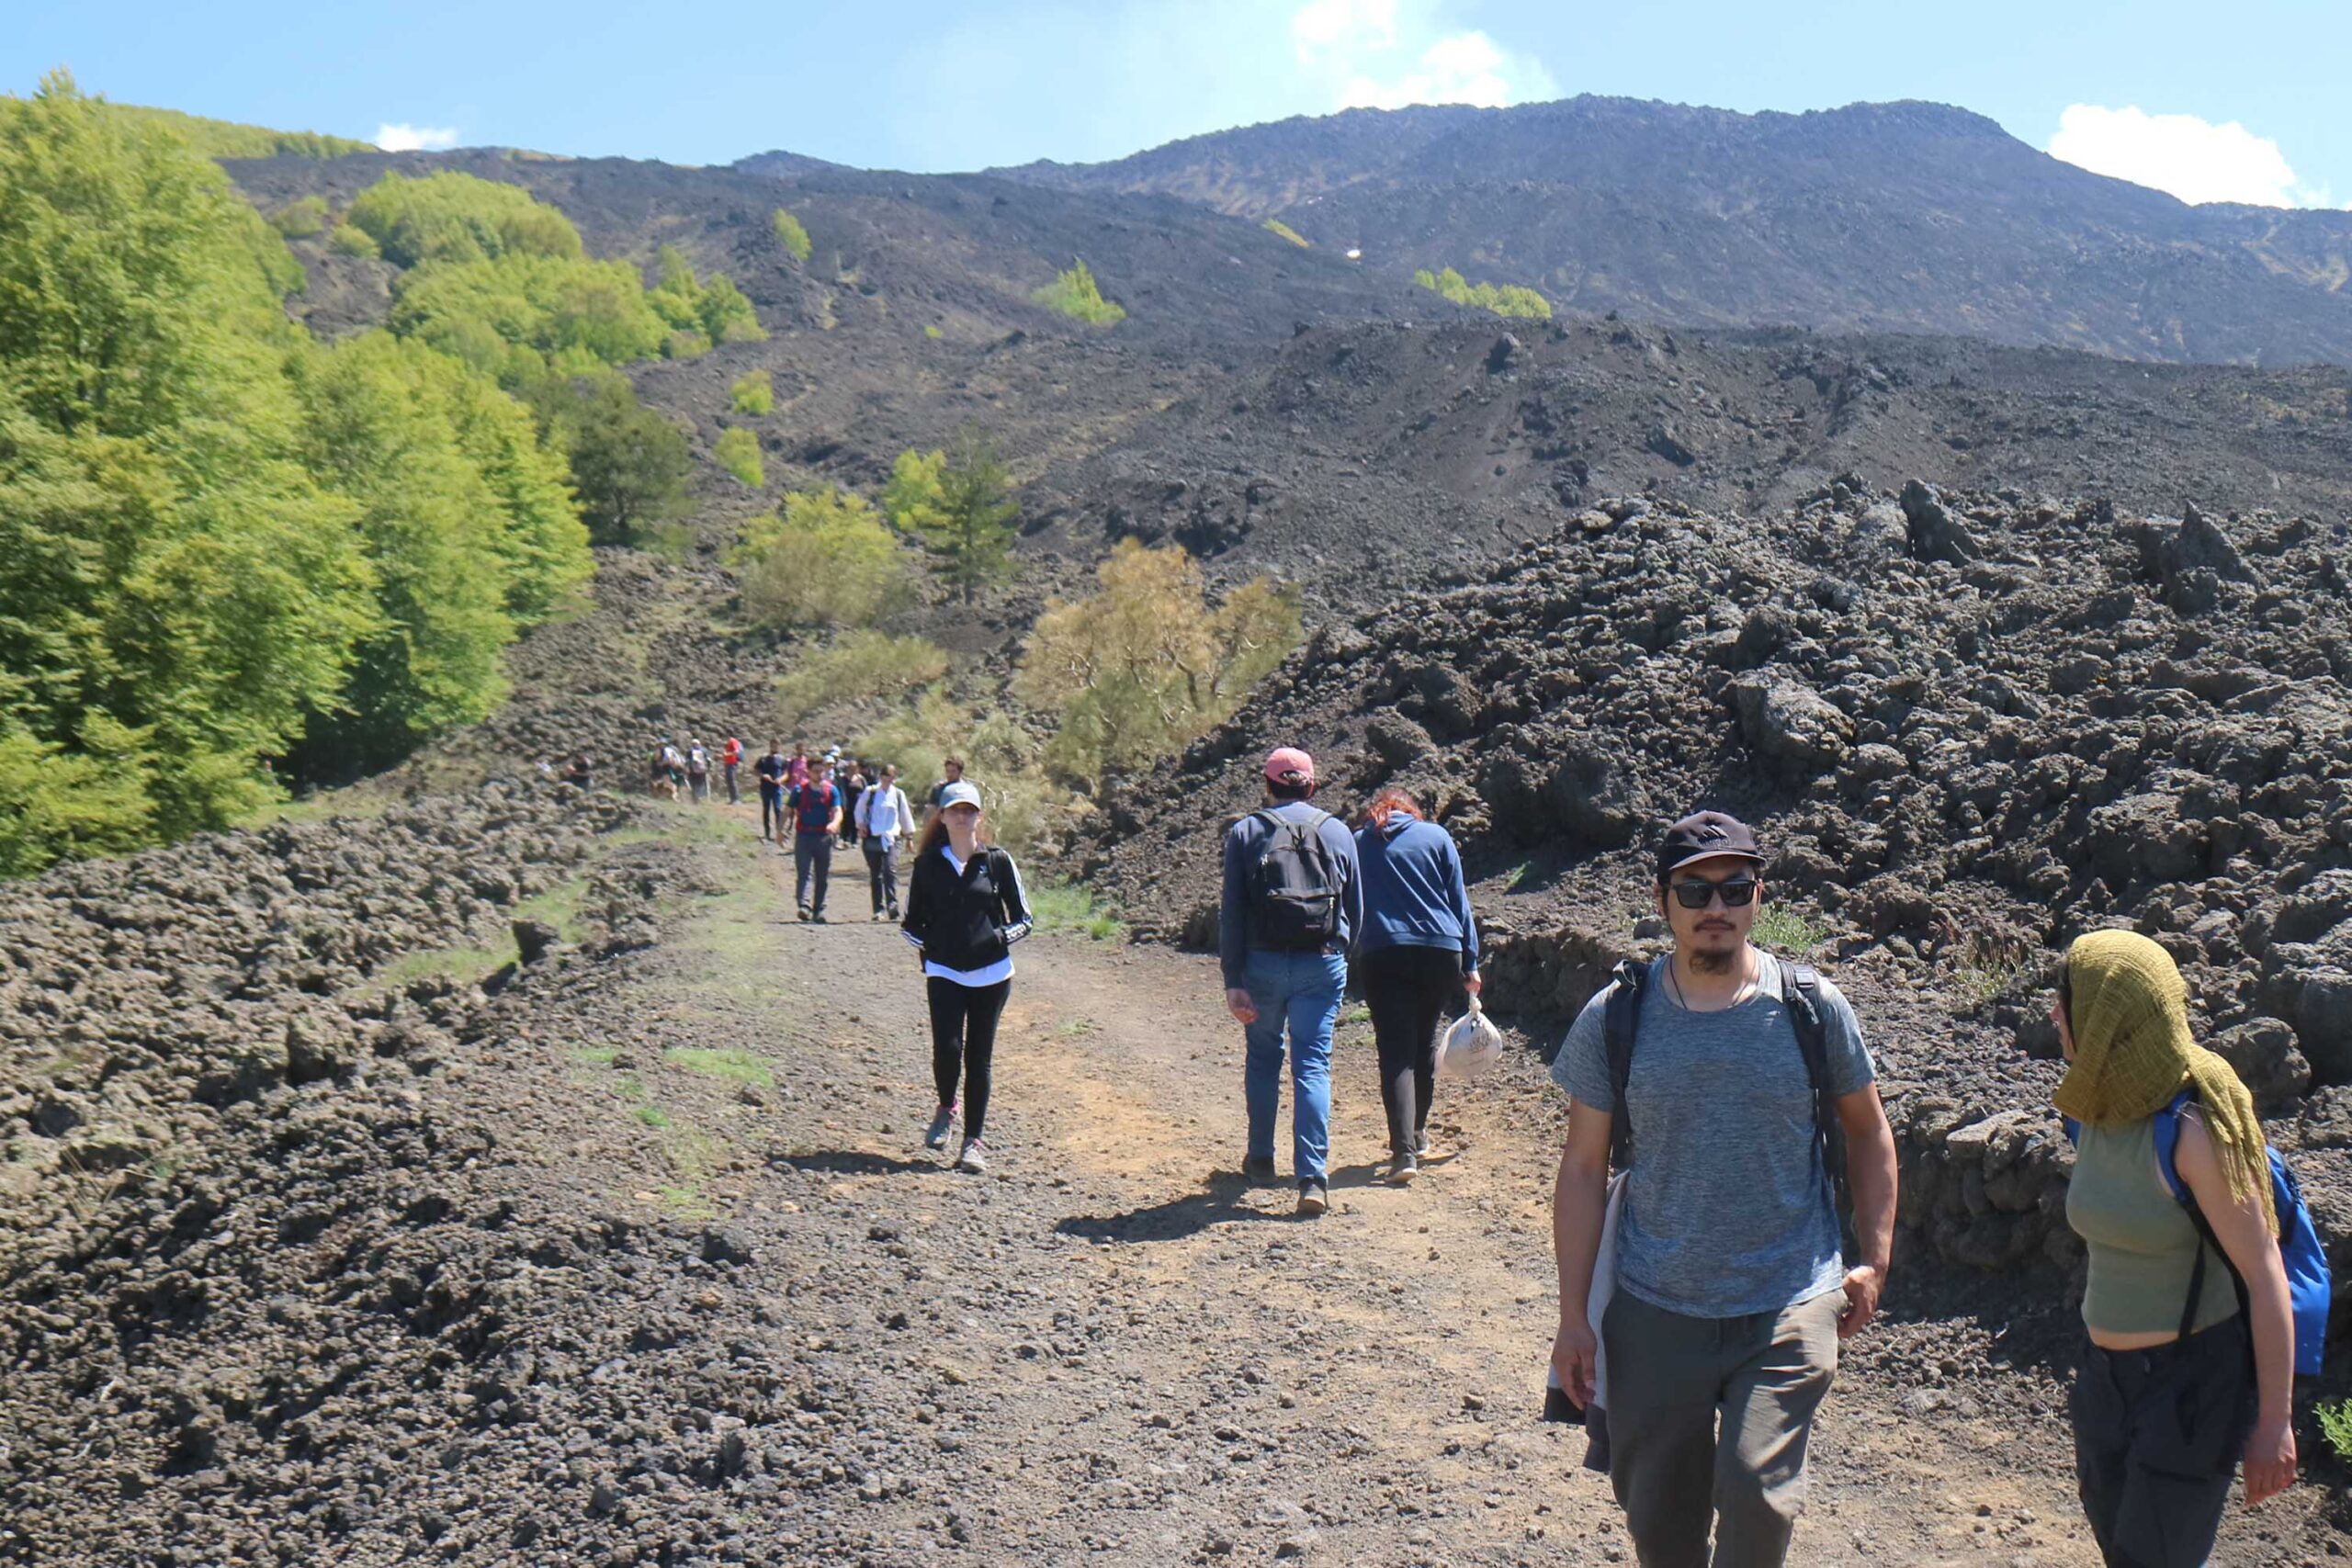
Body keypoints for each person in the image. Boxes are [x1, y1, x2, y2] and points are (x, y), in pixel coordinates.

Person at [1548, 809, 1897, 1568]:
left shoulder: (1811, 1006)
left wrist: (1874, 1255)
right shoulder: (1619, 1014)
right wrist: (1575, 1316)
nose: (1716, 907)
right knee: (1662, 1531)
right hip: (1654, 1307)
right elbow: (1582, 1167)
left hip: (1787, 1300)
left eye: (1735, 888)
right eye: (1696, 889)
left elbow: (1868, 1131)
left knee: (1754, 1494)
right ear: (1662, 899)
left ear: (1758, 897)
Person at [2052, 930, 2296, 1566]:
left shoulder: (2191, 1131)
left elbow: (2265, 1272)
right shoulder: (2092, 1110)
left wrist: (2274, 1422)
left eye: (2068, 998)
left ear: (2111, 1020)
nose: (2056, 1012)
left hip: (2191, 1384)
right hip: (2104, 1383)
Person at [1220, 747, 1363, 1217]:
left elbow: (1233, 912)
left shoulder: (1246, 831)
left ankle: (1261, 1159)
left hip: (1260, 964)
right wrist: (1340, 953)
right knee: (1313, 1066)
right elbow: (1355, 909)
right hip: (1320, 964)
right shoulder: (1338, 831)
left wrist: (1233, 978)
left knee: (1263, 1057)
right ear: (1312, 786)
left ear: (1268, 785)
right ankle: (1312, 1179)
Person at [1351, 786, 1480, 1185]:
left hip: (1383, 951)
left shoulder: (1357, 844)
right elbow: (1459, 903)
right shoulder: (1437, 836)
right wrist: (1471, 961)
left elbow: (1347, 901)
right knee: (1424, 1040)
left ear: (1377, 813)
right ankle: (1419, 1133)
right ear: (1413, 813)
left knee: (1395, 1052)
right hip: (1440, 950)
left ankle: (1403, 1151)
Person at [901, 780, 1032, 1175]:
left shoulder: (997, 861)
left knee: (980, 1058)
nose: (962, 816)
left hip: (992, 974)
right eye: (954, 810)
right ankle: (946, 1105)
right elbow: (910, 924)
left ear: (979, 816)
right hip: (943, 971)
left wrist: (997, 939)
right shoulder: (927, 866)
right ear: (941, 817)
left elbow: (1024, 919)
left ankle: (973, 1142)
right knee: (947, 1047)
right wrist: (934, 947)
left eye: (969, 810)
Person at [857, 763, 914, 919]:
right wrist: (860, 825)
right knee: (876, 874)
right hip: (873, 837)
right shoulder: (871, 792)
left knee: (890, 870)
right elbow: (859, 809)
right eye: (886, 776)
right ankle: (878, 909)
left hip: (892, 838)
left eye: (891, 777)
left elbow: (905, 816)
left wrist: (909, 837)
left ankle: (892, 904)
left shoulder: (898, 794)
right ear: (881, 776)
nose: (888, 780)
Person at [789, 763, 842, 921]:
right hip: (804, 836)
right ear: (808, 772)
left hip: (824, 837)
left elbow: (838, 810)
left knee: (822, 875)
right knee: (804, 872)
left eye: (822, 771)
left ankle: (819, 909)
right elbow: (787, 810)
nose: (819, 774)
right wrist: (779, 830)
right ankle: (804, 905)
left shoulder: (831, 790)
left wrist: (835, 823)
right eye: (816, 771)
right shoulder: (799, 790)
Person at [755, 740, 788, 842]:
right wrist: (763, 775)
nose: (775, 747)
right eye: (773, 745)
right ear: (770, 746)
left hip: (777, 788)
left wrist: (781, 779)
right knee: (766, 810)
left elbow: (787, 774)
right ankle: (767, 833)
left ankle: (779, 833)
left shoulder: (782, 759)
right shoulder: (763, 758)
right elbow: (756, 770)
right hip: (765, 787)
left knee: (778, 810)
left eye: (777, 745)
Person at [922, 756, 967, 831]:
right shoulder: (939, 789)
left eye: (953, 771)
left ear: (960, 772)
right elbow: (930, 811)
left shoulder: (967, 790)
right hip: (941, 830)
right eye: (947, 771)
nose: (950, 774)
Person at [840, 761, 869, 850]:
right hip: (846, 803)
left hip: (858, 804)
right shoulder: (842, 778)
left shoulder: (861, 779)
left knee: (855, 822)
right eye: (850, 768)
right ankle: (845, 840)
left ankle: (854, 840)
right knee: (845, 822)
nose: (852, 770)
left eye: (854, 768)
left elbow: (866, 790)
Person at [684, 738, 711, 803]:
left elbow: (687, 761)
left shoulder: (690, 751)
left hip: (693, 770)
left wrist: (686, 768)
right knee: (702, 783)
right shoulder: (704, 750)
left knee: (693, 783)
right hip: (702, 769)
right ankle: (701, 797)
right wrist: (709, 768)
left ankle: (695, 798)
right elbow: (709, 760)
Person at [721, 736, 743, 805]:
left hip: (732, 764)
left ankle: (736, 799)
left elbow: (736, 752)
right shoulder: (728, 743)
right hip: (728, 764)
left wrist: (727, 754)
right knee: (729, 781)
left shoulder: (733, 741)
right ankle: (732, 799)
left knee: (732, 780)